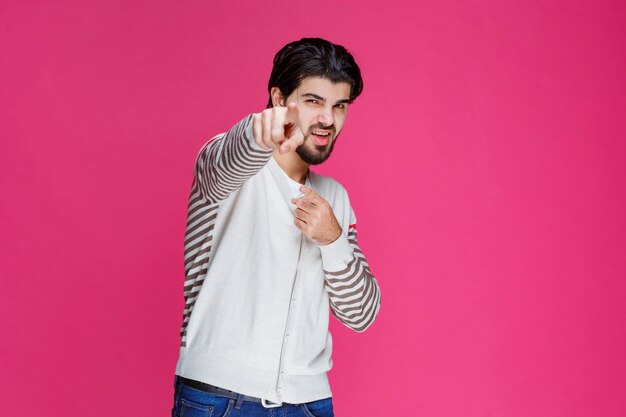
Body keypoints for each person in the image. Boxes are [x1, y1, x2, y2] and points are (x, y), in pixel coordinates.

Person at [171, 38, 381, 417]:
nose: (328, 120)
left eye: (339, 106)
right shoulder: (222, 165)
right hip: (220, 398)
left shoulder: (335, 197)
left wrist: (333, 240)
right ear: (279, 98)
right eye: (314, 101)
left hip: (309, 403)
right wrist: (258, 133)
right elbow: (229, 159)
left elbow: (362, 315)